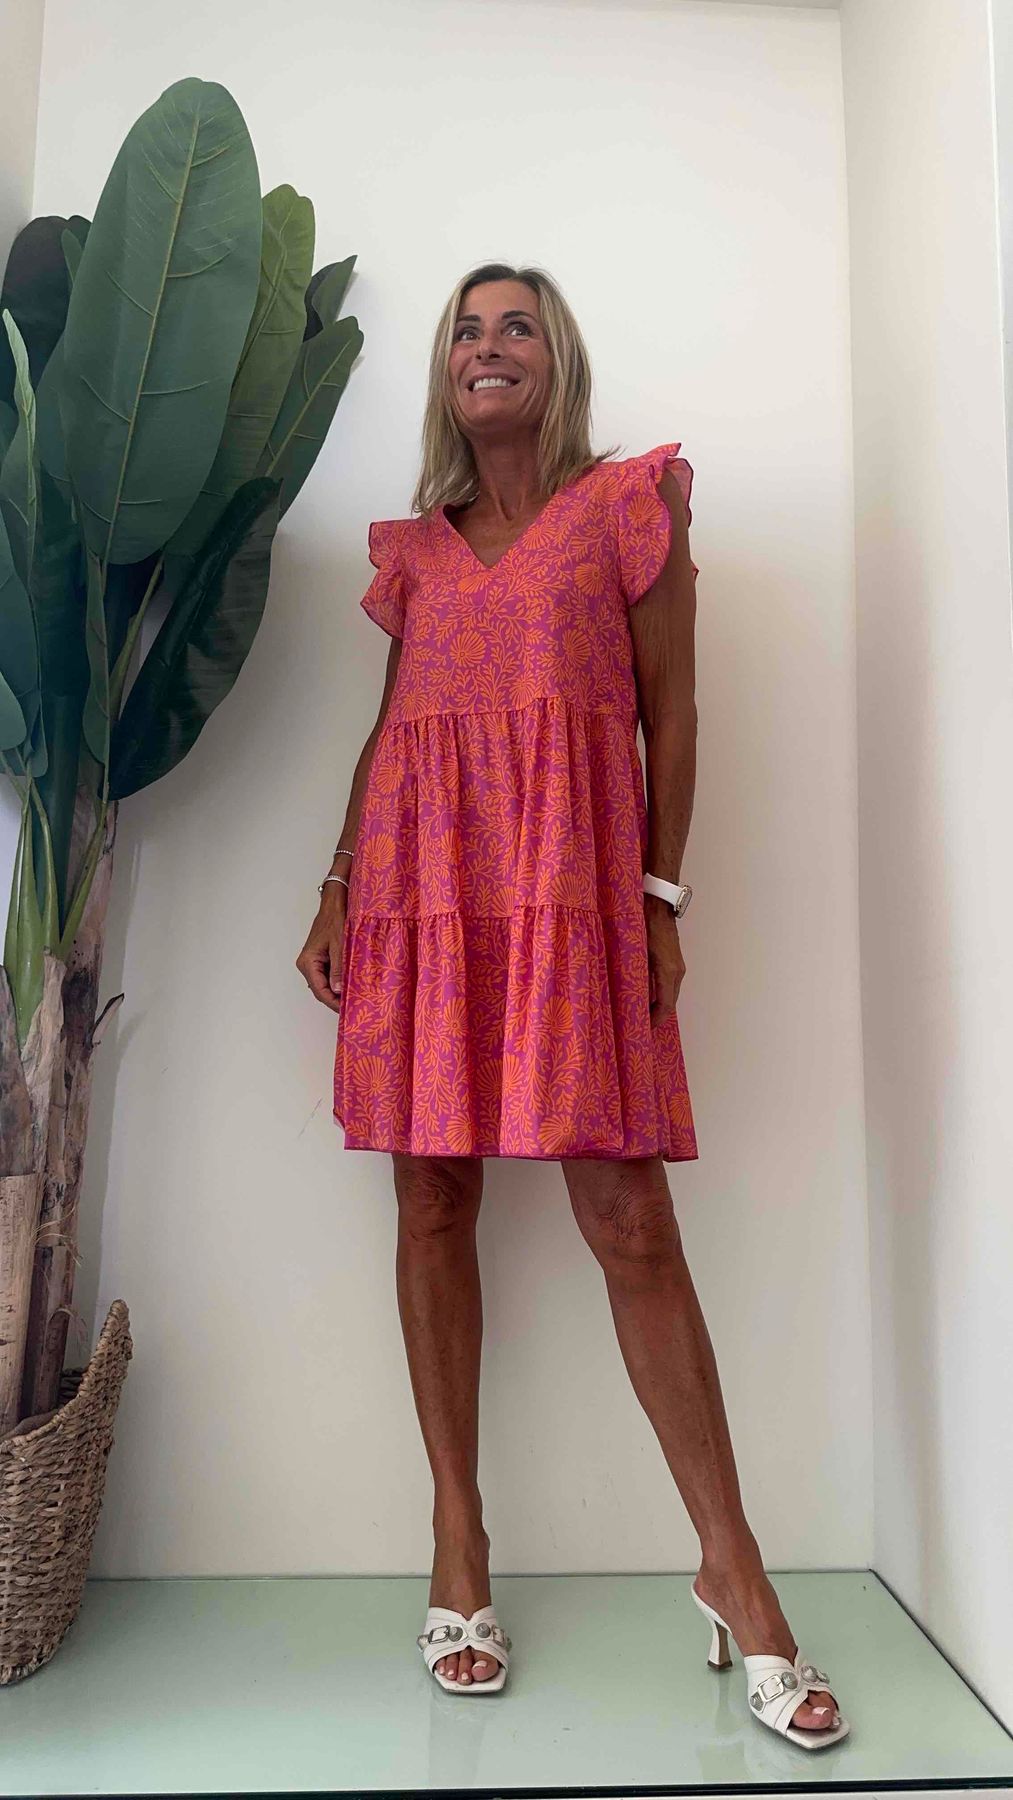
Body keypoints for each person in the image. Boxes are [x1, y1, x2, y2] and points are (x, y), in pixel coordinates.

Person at [296, 263, 849, 1748]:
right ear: (447, 373)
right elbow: (395, 732)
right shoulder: (416, 551)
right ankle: (458, 1542)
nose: (488, 348)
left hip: (569, 902)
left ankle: (733, 1571)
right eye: (466, 332)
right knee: (432, 1203)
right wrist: (340, 886)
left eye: (516, 327)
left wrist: (659, 899)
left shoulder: (626, 508)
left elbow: (674, 710)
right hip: (424, 901)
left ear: (557, 362)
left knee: (628, 1220)